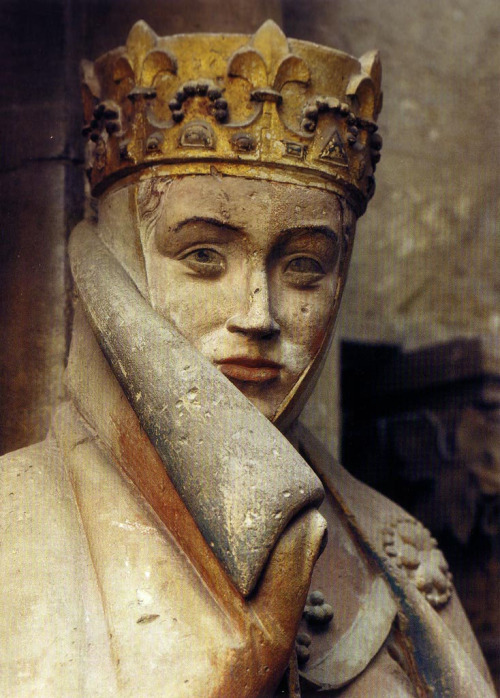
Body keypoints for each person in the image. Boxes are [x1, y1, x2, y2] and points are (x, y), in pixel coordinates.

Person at [0, 19, 495, 698]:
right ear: (123, 264)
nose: (258, 314)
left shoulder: (392, 550)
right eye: (203, 256)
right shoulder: (16, 525)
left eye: (303, 266)